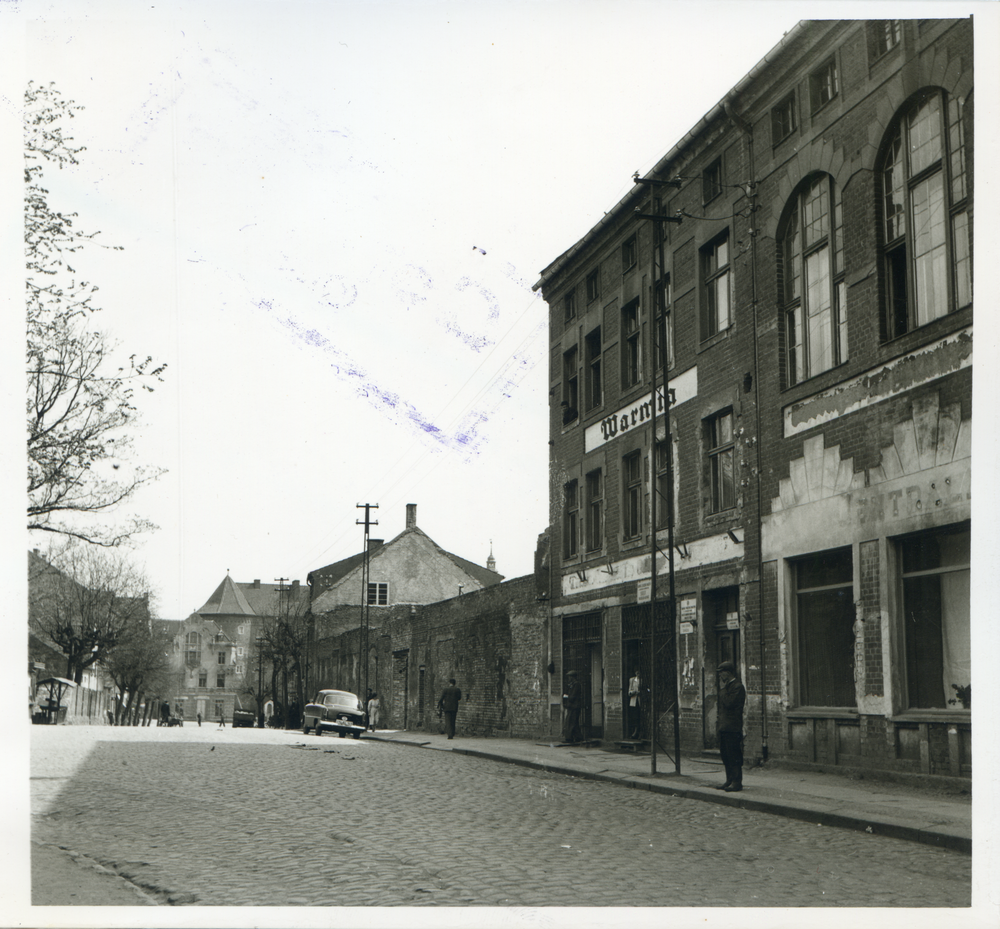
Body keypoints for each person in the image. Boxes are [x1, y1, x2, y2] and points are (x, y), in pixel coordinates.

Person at [715, 660, 746, 792]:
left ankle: (737, 782)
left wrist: (721, 691)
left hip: (733, 727)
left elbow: (729, 703)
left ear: (728, 673)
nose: (720, 676)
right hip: (724, 727)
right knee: (725, 755)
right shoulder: (727, 688)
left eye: (721, 673)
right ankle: (729, 779)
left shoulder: (737, 687)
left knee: (734, 755)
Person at [563, 670, 584, 743]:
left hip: (574, 706)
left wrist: (567, 697)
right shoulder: (572, 685)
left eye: (570, 677)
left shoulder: (576, 685)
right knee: (573, 722)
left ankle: (569, 738)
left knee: (571, 722)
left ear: (573, 677)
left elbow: (572, 697)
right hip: (572, 706)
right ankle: (578, 737)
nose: (569, 678)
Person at [628, 670, 641, 739]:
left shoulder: (642, 680)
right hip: (633, 701)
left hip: (639, 701)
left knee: (639, 717)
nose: (638, 674)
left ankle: (638, 733)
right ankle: (634, 732)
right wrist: (633, 692)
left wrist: (640, 692)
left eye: (639, 672)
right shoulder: (632, 680)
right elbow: (629, 691)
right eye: (637, 672)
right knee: (634, 717)